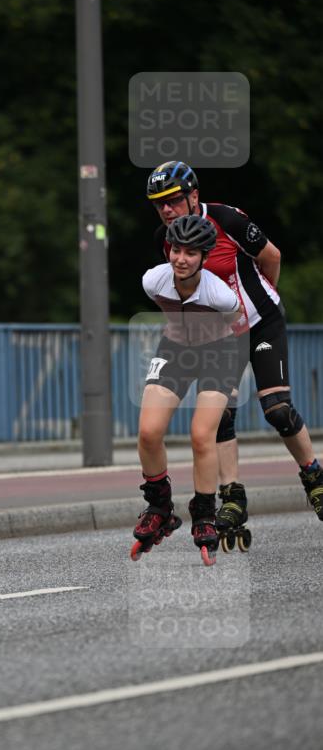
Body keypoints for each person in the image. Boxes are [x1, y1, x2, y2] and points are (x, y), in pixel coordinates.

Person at [146, 160, 323, 527]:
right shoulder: (167, 241)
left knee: (276, 408)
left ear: (194, 196)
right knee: (219, 414)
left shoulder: (227, 220)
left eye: (174, 200)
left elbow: (271, 256)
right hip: (220, 335)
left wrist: (261, 298)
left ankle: (314, 476)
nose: (167, 209)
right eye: (159, 203)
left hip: (260, 323)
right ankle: (232, 495)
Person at [132, 214, 241, 566]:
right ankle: (160, 507)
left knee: (200, 435)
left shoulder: (220, 295)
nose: (181, 259)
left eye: (191, 253)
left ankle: (205, 513)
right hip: (175, 350)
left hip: (217, 354)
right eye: (176, 250)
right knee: (148, 432)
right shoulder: (153, 280)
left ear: (205, 258)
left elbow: (233, 329)